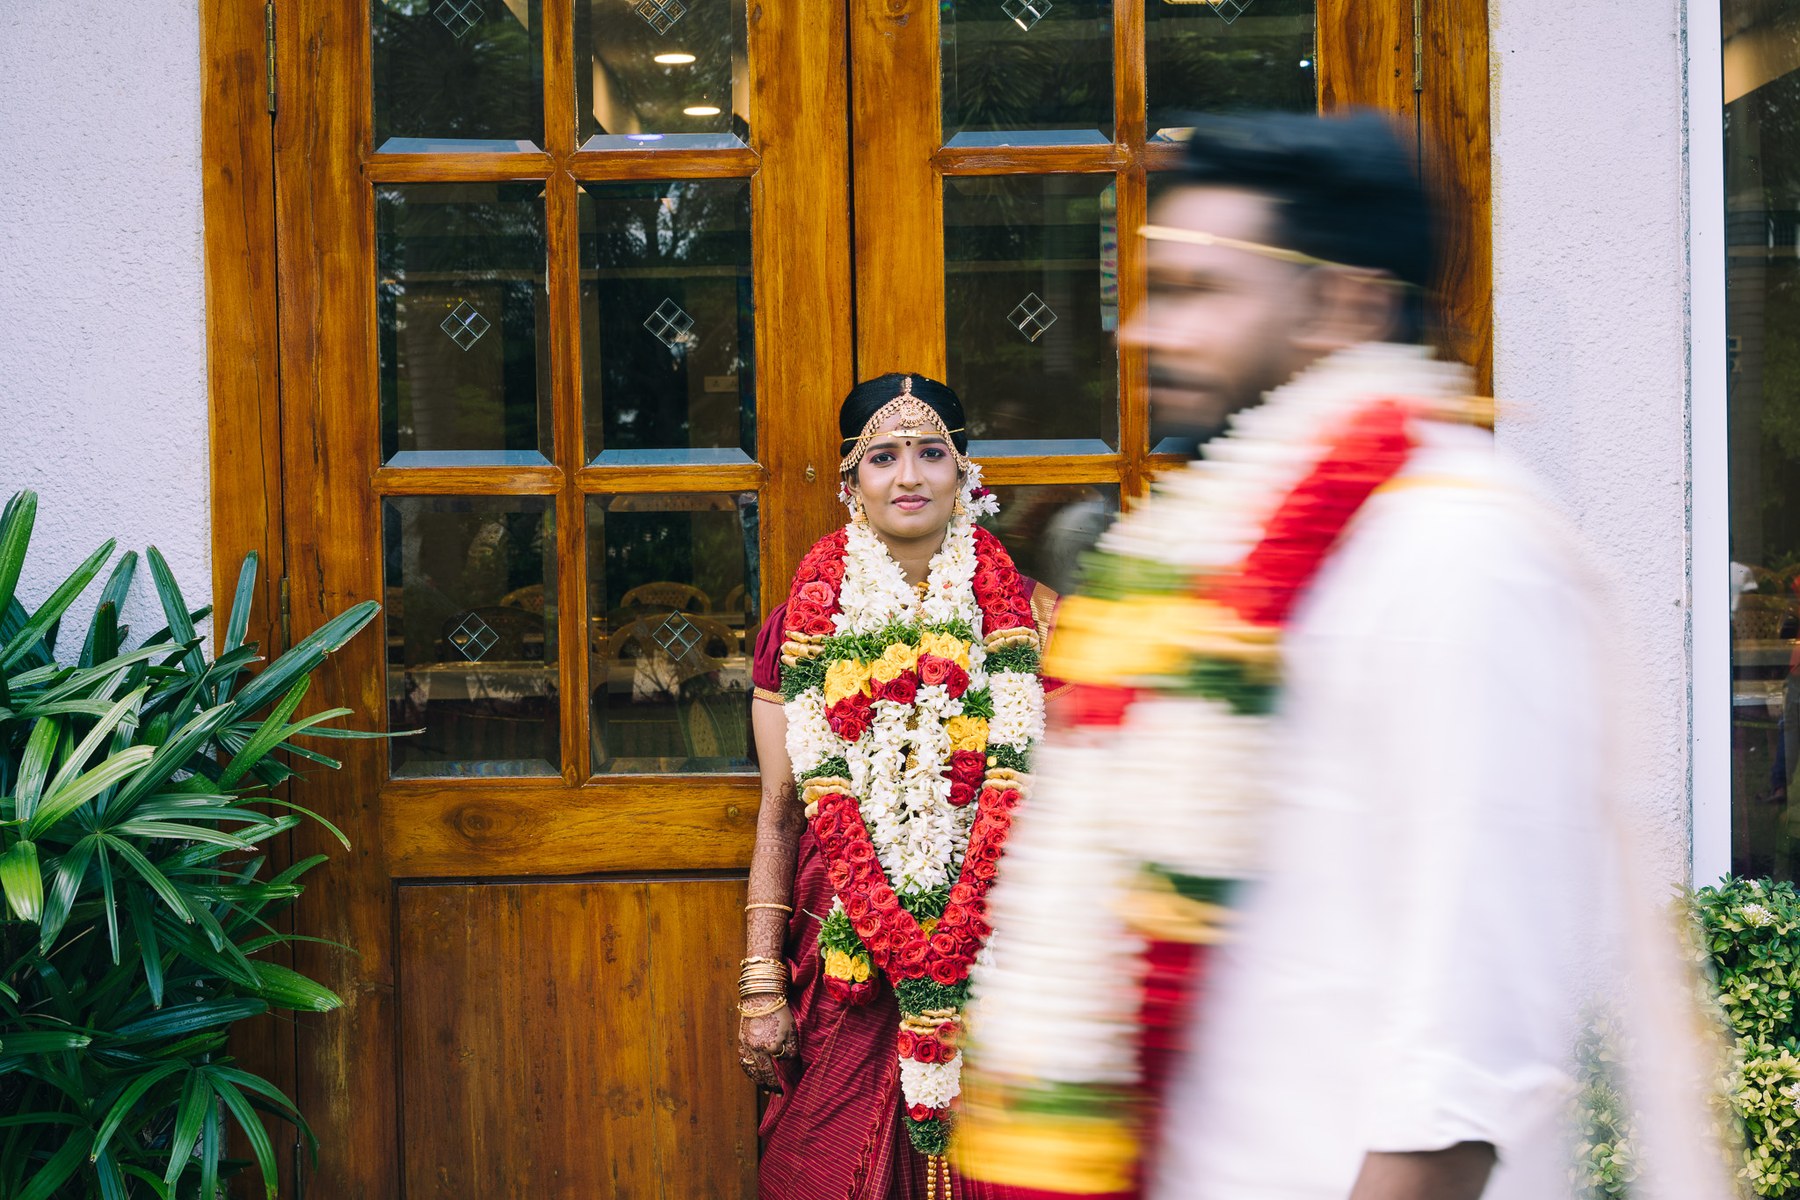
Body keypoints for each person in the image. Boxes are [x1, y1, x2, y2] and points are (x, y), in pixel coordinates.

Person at [953, 112, 1734, 1200]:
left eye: (1195, 291)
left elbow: (1464, 1065)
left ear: (1345, 303)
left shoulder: (1462, 548)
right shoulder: (1210, 552)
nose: (1140, 332)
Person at [738, 372, 1058, 1200]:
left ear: (965, 473)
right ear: (851, 481)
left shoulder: (1032, 616)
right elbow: (780, 812)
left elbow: (1061, 807)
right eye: (882, 457)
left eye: (931, 453)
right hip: (846, 948)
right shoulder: (802, 622)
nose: (908, 477)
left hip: (996, 951)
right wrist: (761, 981)